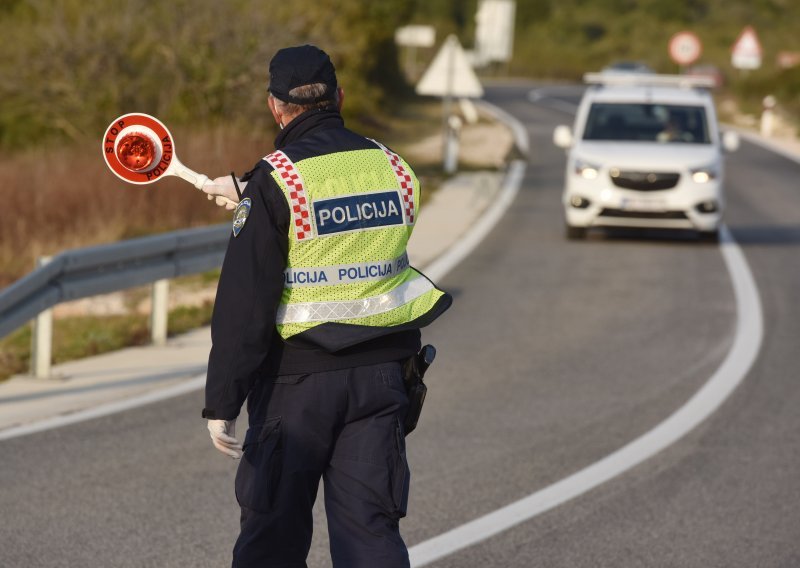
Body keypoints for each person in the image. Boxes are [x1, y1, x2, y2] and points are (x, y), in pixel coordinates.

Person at [200, 44, 452, 568]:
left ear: (275, 106)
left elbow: (246, 305)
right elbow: (339, 203)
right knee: (370, 535)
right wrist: (252, 189)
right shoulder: (394, 167)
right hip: (382, 380)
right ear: (338, 96)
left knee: (272, 539)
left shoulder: (275, 181)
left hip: (298, 388)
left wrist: (222, 402)